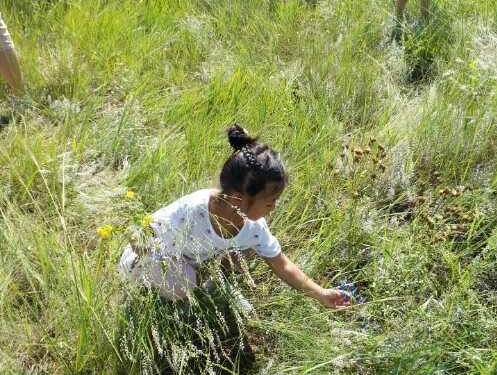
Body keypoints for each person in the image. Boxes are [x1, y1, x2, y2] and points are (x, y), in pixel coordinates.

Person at [119, 124, 350, 310]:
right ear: (239, 200)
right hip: (148, 260)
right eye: (270, 202)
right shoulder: (192, 212)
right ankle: (184, 294)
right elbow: (143, 239)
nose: (274, 208)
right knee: (184, 281)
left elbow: (282, 264)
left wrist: (322, 294)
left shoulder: (254, 227)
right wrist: (174, 272)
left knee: (247, 251)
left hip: (191, 256)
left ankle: (201, 282)